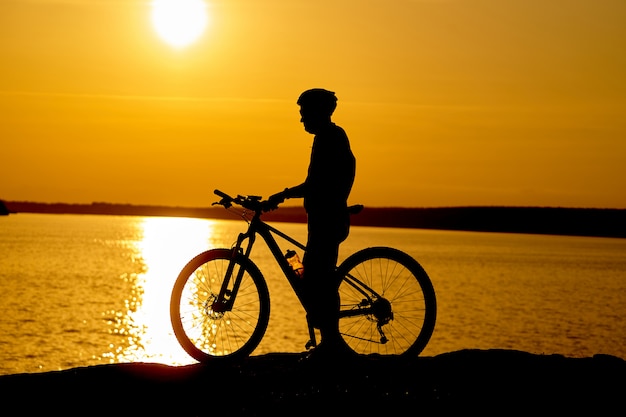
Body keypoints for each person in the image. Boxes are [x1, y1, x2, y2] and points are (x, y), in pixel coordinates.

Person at [269, 88, 356, 358]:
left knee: (322, 280)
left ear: (318, 112)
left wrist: (284, 194)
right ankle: (329, 342)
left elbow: (317, 184)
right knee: (316, 278)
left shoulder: (331, 138)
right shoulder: (327, 137)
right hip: (322, 220)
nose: (301, 119)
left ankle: (332, 343)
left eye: (304, 113)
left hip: (328, 221)